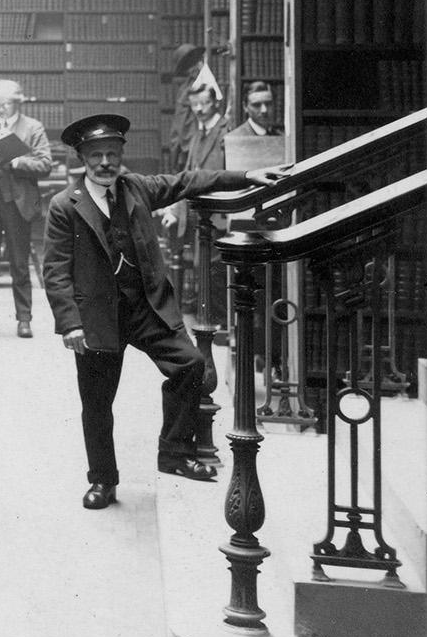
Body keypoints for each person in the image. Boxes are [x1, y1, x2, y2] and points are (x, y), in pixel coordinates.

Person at [43, 113, 284, 511]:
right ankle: (103, 480)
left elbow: (189, 181)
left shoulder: (136, 187)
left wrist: (247, 176)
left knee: (190, 365)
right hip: (97, 319)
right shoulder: (64, 206)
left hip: (144, 308)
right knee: (98, 404)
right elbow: (55, 271)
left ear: (122, 155)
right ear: (82, 158)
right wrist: (70, 323)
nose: (105, 163)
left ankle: (173, 452)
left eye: (112, 154)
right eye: (97, 155)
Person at [0, 80, 54, 337]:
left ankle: (24, 319)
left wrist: (16, 161)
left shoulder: (33, 128)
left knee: (19, 262)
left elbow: (45, 164)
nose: (0, 109)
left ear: (17, 102)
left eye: (5, 104)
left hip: (19, 204)